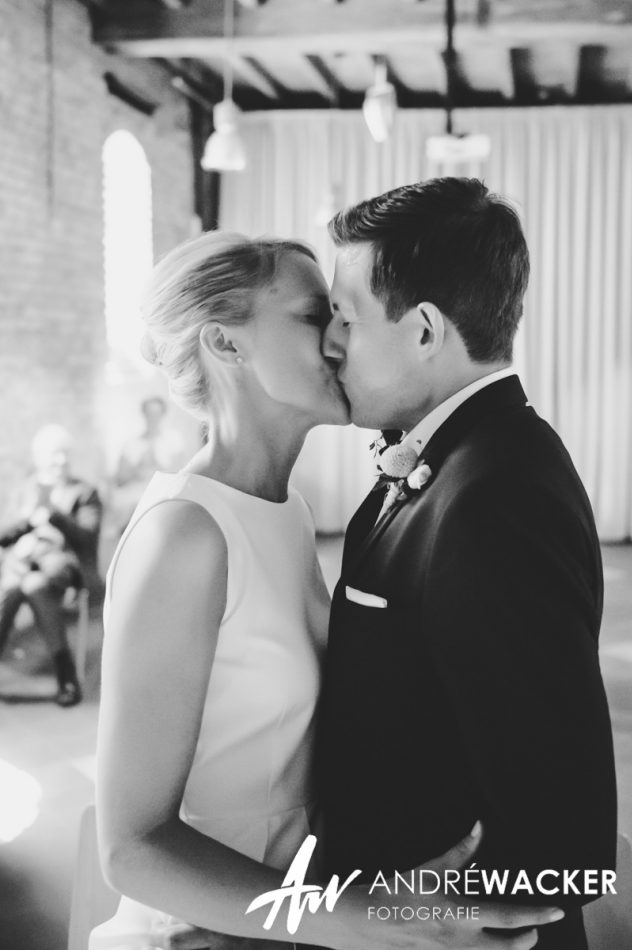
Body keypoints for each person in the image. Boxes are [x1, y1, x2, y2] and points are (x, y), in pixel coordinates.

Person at [90, 231, 561, 950]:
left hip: (297, 914)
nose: (342, 340)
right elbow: (132, 847)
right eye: (316, 317)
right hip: (204, 933)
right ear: (227, 344)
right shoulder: (184, 535)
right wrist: (361, 921)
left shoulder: (289, 508)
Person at [317, 177, 617, 949]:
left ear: (422, 330)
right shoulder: (468, 457)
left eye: (346, 318)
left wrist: (428, 917)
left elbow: (565, 812)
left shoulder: (497, 494)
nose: (331, 342)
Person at [0, 424, 102, 707]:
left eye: (66, 454)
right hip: (24, 568)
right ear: (39, 457)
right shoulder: (26, 489)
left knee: (27, 582)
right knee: (22, 585)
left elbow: (86, 540)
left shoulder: (85, 492)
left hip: (64, 570)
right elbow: (4, 535)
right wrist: (28, 524)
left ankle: (67, 677)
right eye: (56, 454)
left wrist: (54, 513)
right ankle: (67, 677)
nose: (62, 460)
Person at [111, 396, 187, 534]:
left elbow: (182, 473)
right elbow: (120, 478)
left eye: (156, 414)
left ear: (162, 415)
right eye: (149, 413)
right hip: (135, 495)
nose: (153, 418)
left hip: (165, 492)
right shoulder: (131, 444)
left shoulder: (173, 441)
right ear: (144, 414)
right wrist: (138, 467)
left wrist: (158, 466)